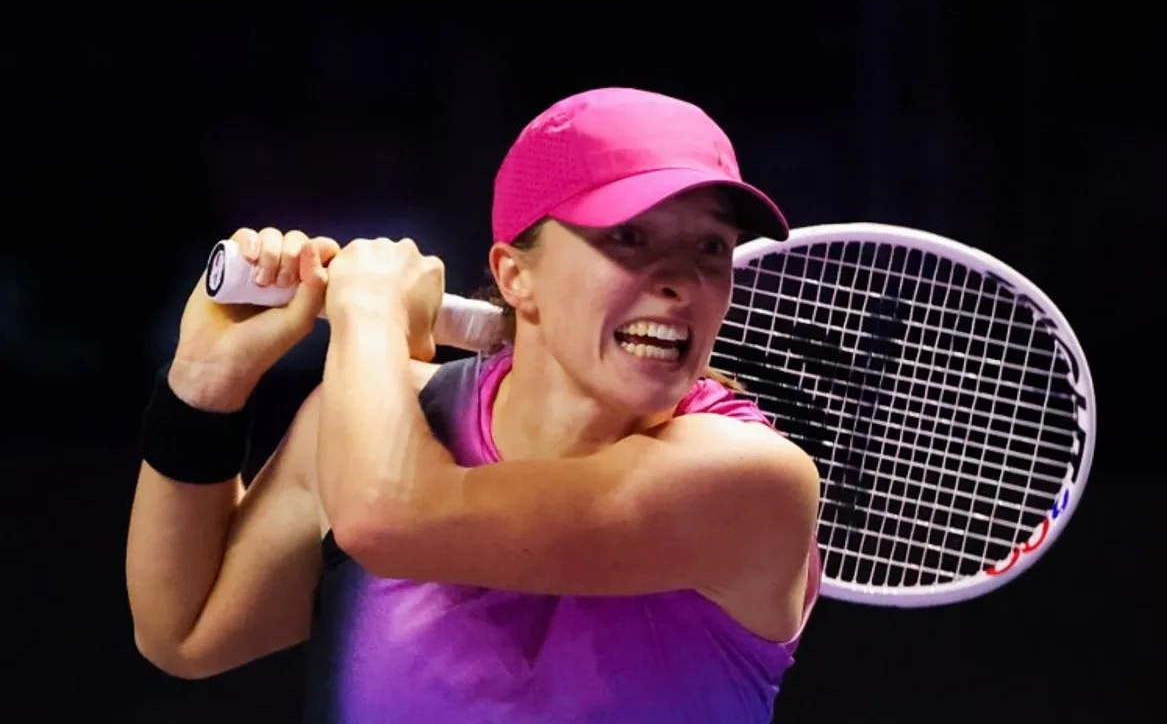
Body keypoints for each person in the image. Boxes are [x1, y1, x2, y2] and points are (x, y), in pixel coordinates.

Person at [126, 87, 823, 723]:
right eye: (628, 237)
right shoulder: (381, 421)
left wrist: (371, 308)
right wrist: (205, 384)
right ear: (515, 276)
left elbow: (387, 522)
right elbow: (184, 631)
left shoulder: (749, 477)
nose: (680, 281)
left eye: (709, 246)